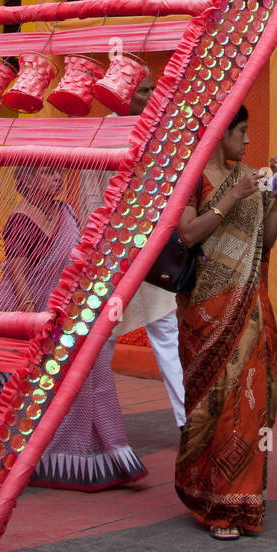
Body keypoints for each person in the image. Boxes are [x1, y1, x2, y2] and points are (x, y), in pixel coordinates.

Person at [0, 164, 147, 490]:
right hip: (30, 313)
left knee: (89, 375)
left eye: (58, 173)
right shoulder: (21, 219)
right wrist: (34, 321)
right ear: (26, 180)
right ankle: (29, 459)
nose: (57, 179)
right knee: (33, 386)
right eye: (47, 173)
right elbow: (18, 274)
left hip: (68, 312)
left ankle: (95, 456)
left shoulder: (66, 213)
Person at [174, 105, 277, 539]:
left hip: (248, 308)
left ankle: (241, 501)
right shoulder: (194, 176)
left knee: (249, 403)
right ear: (220, 133)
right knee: (213, 402)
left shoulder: (254, 176)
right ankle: (210, 497)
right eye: (242, 130)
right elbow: (187, 234)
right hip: (207, 311)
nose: (249, 140)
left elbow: (269, 239)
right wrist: (234, 195)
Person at [81, 68, 187, 429]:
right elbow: (90, 199)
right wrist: (96, 250)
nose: (151, 96)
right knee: (102, 338)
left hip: (152, 251)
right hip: (111, 255)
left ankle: (188, 424)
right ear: (123, 94)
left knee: (165, 332)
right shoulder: (102, 135)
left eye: (153, 89)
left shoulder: (160, 132)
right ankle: (93, 421)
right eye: (144, 90)